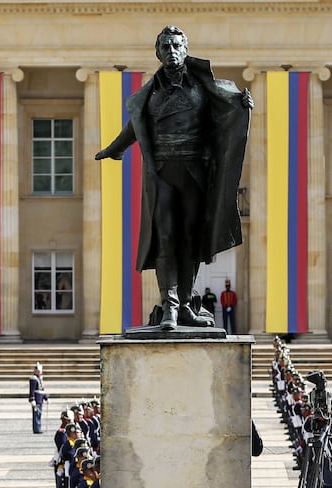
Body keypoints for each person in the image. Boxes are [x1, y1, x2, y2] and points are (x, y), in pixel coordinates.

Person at [95, 26, 253, 331]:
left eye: (177, 46)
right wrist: (114, 149)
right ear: (158, 53)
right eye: (165, 46)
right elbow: (135, 127)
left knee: (190, 242)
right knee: (166, 238)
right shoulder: (148, 95)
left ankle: (185, 306)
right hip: (161, 173)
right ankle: (170, 307)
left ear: (186, 49)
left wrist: (241, 108)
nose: (171, 51)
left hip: (194, 172)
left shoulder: (205, 88)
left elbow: (226, 116)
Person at [29, 363, 47, 434]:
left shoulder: (40, 378)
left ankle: (38, 427)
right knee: (36, 414)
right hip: (36, 399)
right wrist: (32, 399)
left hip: (40, 399)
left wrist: (46, 397)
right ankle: (36, 428)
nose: (40, 372)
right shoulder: (34, 379)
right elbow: (32, 390)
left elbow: (42, 389)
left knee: (39, 414)